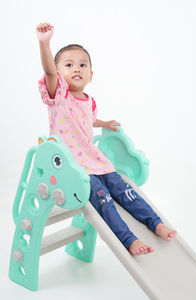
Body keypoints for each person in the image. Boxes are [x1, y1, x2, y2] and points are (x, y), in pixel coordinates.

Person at [36, 22, 177, 256]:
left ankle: (155, 222)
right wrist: (44, 43)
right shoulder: (59, 97)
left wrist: (105, 123)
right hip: (73, 169)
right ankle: (128, 240)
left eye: (82, 65)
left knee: (126, 192)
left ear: (90, 75)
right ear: (59, 74)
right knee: (104, 200)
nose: (76, 68)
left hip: (95, 162)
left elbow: (87, 121)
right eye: (68, 65)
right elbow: (49, 72)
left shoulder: (89, 101)